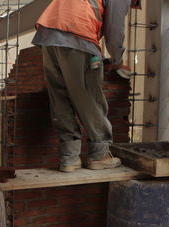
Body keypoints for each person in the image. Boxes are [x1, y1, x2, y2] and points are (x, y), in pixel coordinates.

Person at [32, 0, 131, 172]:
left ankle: (69, 158)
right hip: (77, 33)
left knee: (59, 98)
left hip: (48, 35)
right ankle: (99, 155)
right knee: (88, 97)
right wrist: (118, 60)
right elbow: (114, 28)